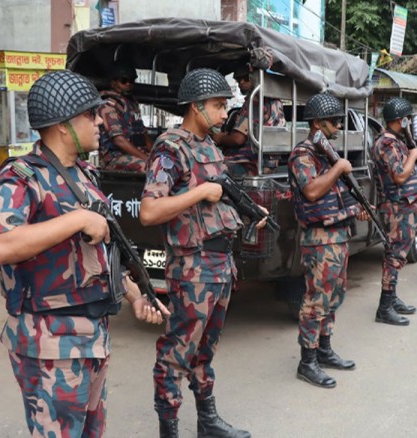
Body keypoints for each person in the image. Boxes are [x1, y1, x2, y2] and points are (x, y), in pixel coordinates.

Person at [0, 70, 167, 437]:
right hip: (50, 341)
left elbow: (101, 253)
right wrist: (78, 219)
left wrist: (135, 295)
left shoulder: (84, 175)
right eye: (90, 114)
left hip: (91, 334)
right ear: (63, 126)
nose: (100, 122)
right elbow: (1, 246)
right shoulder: (21, 177)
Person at [140, 68, 263, 438]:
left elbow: (219, 197)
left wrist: (250, 212)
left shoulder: (209, 145)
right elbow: (149, 211)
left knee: (205, 350)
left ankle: (207, 421)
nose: (225, 113)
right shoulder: (170, 148)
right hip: (192, 267)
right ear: (196, 106)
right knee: (177, 352)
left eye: (225, 105)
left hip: (220, 263)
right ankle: (169, 429)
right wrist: (199, 193)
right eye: (218, 105)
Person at [287, 93, 369, 389]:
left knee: (334, 296)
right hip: (319, 239)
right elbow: (311, 191)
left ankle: (324, 349)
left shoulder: (326, 153)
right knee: (317, 299)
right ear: (318, 124)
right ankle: (307, 361)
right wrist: (339, 168)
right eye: (334, 122)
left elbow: (337, 195)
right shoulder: (303, 155)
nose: (338, 126)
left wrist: (356, 208)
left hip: (338, 235)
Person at [371, 96, 417, 326]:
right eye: (407, 119)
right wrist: (413, 155)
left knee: (399, 254)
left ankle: (391, 298)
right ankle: (384, 307)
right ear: (401, 120)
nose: (409, 123)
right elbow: (399, 175)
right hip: (396, 206)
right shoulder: (386, 143)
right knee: (394, 256)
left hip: (404, 204)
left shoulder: (396, 141)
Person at [212, 64, 286, 176]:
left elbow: (238, 139)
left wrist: (220, 138)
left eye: (246, 78)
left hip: (250, 164)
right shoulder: (276, 101)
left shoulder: (255, 102)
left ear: (256, 78)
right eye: (238, 80)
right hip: (266, 164)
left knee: (208, 169)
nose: (241, 82)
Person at [97, 63, 153, 172]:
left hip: (136, 153)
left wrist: (154, 155)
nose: (128, 84)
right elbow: (119, 140)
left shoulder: (132, 103)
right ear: (113, 82)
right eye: (123, 80)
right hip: (114, 158)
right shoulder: (107, 105)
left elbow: (143, 132)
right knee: (147, 167)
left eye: (131, 81)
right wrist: (147, 159)